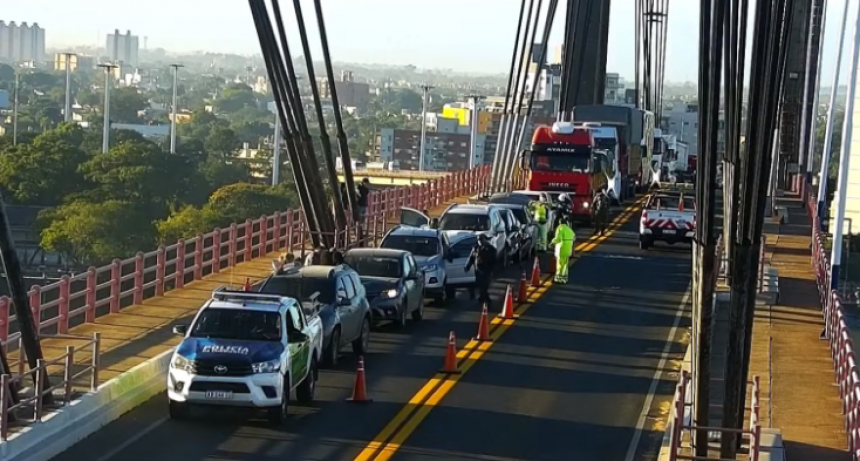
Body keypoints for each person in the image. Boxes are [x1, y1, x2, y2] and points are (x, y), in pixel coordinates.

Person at [465, 234, 497, 307]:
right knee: (479, 284)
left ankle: (485, 299)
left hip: (486, 270)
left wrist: (492, 270)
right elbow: (471, 258)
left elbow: (493, 260)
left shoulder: (490, 249)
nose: (480, 241)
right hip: (478, 270)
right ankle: (483, 298)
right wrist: (467, 266)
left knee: (484, 285)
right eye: (479, 240)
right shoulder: (475, 248)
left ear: (485, 239)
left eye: (481, 239)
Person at [551, 216, 576, 283]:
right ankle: (564, 279)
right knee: (565, 265)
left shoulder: (560, 228)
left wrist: (552, 242)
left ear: (560, 223)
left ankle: (558, 279)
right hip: (568, 250)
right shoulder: (569, 229)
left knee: (559, 264)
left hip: (561, 250)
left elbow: (558, 239)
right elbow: (574, 237)